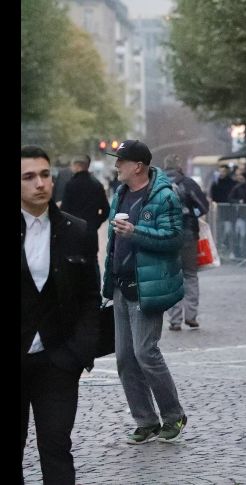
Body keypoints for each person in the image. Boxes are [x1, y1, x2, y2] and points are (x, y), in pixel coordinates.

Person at [21, 145, 101, 484]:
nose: (40, 183)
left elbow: (89, 299)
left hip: (58, 361)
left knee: (56, 447)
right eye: (28, 177)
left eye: (45, 175)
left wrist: (76, 354)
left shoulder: (77, 231)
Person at [102, 140, 188, 445]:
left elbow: (174, 239)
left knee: (145, 352)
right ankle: (146, 420)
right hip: (121, 284)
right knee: (125, 358)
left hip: (147, 286)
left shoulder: (163, 196)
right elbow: (114, 243)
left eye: (120, 161)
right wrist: (109, 277)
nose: (116, 166)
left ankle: (173, 414)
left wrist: (136, 232)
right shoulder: (120, 194)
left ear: (138, 166)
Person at [162, 154, 209, 331]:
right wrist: (191, 215)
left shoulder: (156, 184)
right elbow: (203, 206)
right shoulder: (188, 183)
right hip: (188, 234)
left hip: (166, 236)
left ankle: (174, 319)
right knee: (190, 275)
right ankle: (191, 315)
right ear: (179, 166)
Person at [60, 154, 110, 253]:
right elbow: (106, 210)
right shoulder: (97, 185)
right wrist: (95, 223)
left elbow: (64, 211)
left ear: (77, 166)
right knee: (92, 263)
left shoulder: (70, 185)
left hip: (73, 233)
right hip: (91, 233)